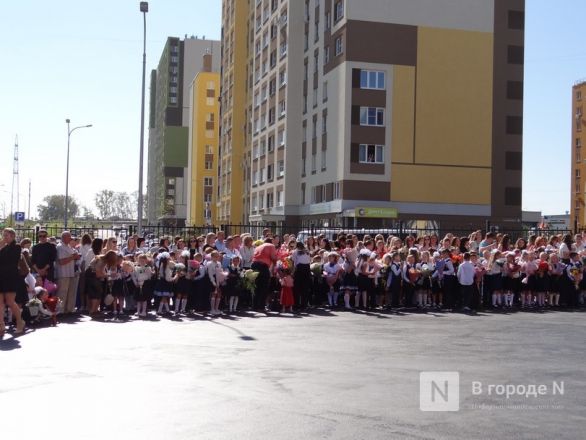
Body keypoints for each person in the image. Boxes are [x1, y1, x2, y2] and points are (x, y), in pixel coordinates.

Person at [0, 228, 26, 336]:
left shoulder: (17, 247)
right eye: (3, 235)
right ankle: (1, 326)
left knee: (10, 302)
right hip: (0, 276)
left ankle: (20, 321)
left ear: (12, 236)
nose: (4, 237)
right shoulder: (2, 247)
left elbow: (12, 260)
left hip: (11, 277)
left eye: (6, 235)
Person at [56, 231, 81, 314]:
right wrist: (73, 257)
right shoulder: (60, 247)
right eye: (69, 237)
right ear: (63, 237)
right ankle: (60, 311)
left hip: (70, 273)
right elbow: (61, 261)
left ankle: (68, 310)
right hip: (63, 274)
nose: (70, 238)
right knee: (62, 293)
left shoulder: (68, 246)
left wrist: (75, 257)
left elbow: (72, 257)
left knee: (70, 294)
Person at [251, 238, 278, 311]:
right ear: (271, 242)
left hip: (254, 265)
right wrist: (276, 263)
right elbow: (273, 257)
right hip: (263, 266)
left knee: (256, 286)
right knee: (264, 286)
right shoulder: (271, 245)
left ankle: (254, 306)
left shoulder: (259, 247)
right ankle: (261, 306)